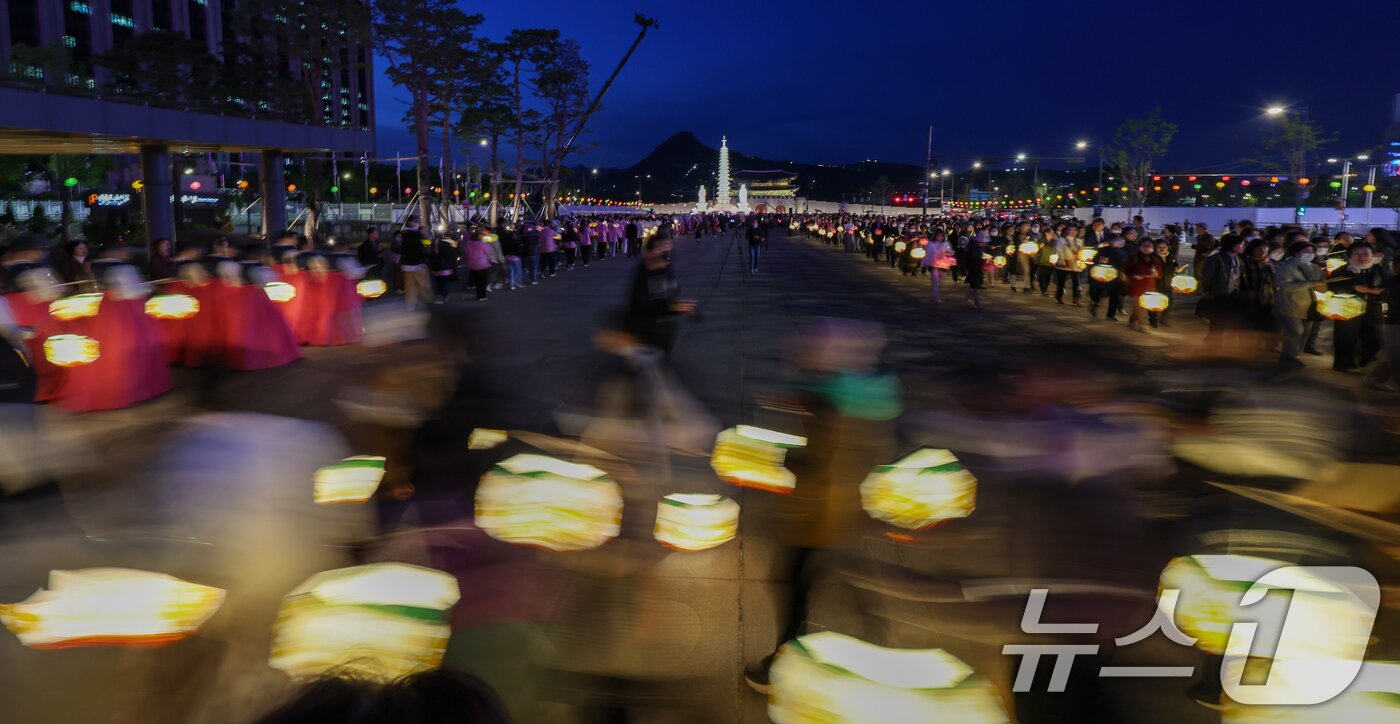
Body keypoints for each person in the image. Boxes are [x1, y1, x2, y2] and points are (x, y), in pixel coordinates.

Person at [624, 230, 695, 357]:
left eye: (668, 248)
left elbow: (673, 293)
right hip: (645, 329)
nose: (666, 253)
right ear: (649, 253)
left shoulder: (668, 269)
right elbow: (641, 306)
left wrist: (683, 307)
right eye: (661, 248)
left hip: (665, 328)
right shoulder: (645, 274)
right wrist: (673, 307)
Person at [1329, 243, 1387, 373]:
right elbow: (1332, 287)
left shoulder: (1379, 270)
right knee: (1346, 336)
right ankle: (1344, 364)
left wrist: (1380, 292)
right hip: (1348, 306)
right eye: (1357, 254)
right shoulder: (1341, 271)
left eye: (1365, 253)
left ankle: (1367, 363)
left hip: (1373, 306)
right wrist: (1353, 288)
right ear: (1350, 255)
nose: (1361, 257)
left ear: (1372, 255)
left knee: (1374, 335)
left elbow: (1387, 285)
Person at [1272, 240, 1324, 369]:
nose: (1309, 254)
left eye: (1311, 252)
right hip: (1289, 304)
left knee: (1305, 332)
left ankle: (1295, 356)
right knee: (1295, 331)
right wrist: (1310, 284)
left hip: (1308, 305)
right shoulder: (1287, 266)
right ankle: (1289, 357)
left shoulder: (1315, 268)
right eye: (1306, 251)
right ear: (1296, 252)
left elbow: (1322, 285)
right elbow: (1284, 285)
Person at [1199, 234, 1247, 343]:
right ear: (1231, 245)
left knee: (1228, 320)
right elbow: (1207, 276)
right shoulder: (1216, 258)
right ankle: (1214, 342)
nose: (1243, 247)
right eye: (1241, 244)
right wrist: (1207, 291)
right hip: (1218, 294)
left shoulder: (1238, 259)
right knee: (1218, 320)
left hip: (1233, 295)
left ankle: (1218, 341)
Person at [1123, 235, 1163, 333]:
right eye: (1144, 245)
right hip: (1136, 286)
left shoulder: (1156, 259)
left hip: (1150, 286)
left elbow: (1160, 274)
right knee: (1139, 305)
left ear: (1153, 247)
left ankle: (1132, 321)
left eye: (1149, 246)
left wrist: (1157, 275)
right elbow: (1126, 271)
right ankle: (1143, 325)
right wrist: (1134, 275)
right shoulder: (1134, 258)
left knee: (1142, 307)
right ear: (1140, 246)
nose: (1146, 248)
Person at [1089, 233, 1128, 321]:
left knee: (1115, 295)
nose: (1117, 242)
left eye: (1119, 240)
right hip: (1104, 274)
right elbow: (1096, 261)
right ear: (1109, 241)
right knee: (1100, 292)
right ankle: (1095, 303)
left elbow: (1125, 264)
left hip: (1117, 276)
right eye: (1115, 240)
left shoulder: (1123, 252)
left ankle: (1111, 314)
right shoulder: (1103, 250)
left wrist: (1123, 273)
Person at [399, 218, 431, 309]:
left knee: (410, 285)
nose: (418, 223)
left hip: (406, 264)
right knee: (424, 283)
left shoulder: (404, 234)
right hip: (418, 263)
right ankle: (425, 300)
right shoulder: (417, 235)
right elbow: (422, 248)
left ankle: (410, 304)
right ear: (412, 223)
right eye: (416, 222)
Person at [1053, 225, 1084, 305]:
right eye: (1071, 230)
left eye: (1075, 230)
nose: (1073, 232)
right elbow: (1058, 251)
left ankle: (1076, 298)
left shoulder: (1079, 241)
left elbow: (1082, 251)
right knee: (1061, 282)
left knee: (1076, 282)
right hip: (1064, 263)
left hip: (1075, 264)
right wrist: (1061, 260)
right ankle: (1059, 297)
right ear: (1067, 231)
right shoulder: (1061, 240)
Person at [462, 230, 494, 302]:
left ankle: (479, 294)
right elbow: (489, 252)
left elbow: (466, 253)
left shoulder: (469, 244)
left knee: (477, 281)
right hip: (483, 264)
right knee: (483, 281)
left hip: (472, 264)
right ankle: (482, 295)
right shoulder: (483, 244)